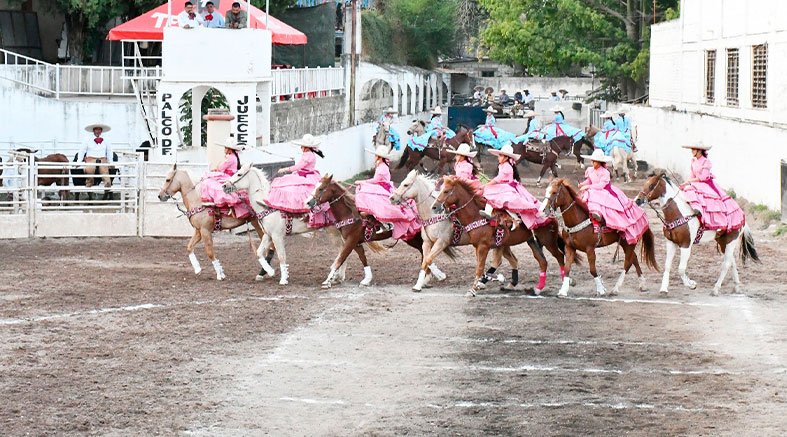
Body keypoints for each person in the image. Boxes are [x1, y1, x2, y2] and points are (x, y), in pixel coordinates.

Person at [577, 149, 648, 244]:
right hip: (592, 190)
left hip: (603, 191)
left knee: (594, 197)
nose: (593, 163)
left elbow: (600, 186)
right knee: (584, 197)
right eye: (592, 161)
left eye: (595, 161)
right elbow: (589, 181)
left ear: (600, 162)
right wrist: (582, 184)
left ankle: (599, 217)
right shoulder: (590, 170)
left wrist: (588, 186)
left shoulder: (605, 172)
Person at [355, 146, 420, 240]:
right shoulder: (382, 165)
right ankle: (373, 221)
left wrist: (361, 182)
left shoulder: (382, 167)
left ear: (379, 157)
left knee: (376, 202)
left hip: (383, 187)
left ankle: (384, 224)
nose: (375, 157)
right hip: (382, 186)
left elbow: (376, 180)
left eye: (376, 155)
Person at [481, 143, 550, 232]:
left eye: (500, 155)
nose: (498, 157)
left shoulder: (507, 166)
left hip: (507, 188)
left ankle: (515, 218)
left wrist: (487, 184)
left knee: (497, 197)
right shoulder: (502, 165)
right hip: (503, 187)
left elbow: (498, 179)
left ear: (506, 157)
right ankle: (489, 212)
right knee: (495, 197)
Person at [679, 144, 745, 231]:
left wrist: (689, 182)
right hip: (696, 183)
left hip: (706, 184)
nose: (692, 151)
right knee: (687, 190)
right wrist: (685, 183)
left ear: (699, 150)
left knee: (712, 203)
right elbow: (692, 176)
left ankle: (715, 222)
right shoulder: (693, 161)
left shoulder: (706, 162)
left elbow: (703, 177)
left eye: (693, 149)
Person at [265, 134, 325, 214]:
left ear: (306, 147)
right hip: (303, 174)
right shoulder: (309, 153)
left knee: (294, 190)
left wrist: (285, 169)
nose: (301, 148)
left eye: (302, 146)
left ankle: (298, 210)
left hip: (306, 176)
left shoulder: (308, 155)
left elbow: (298, 166)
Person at [200, 138, 251, 217]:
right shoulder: (234, 156)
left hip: (229, 177)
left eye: (226, 148)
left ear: (229, 149)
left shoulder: (230, 157)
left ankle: (217, 207)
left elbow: (221, 167)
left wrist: (216, 169)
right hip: (230, 175)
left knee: (209, 182)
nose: (224, 149)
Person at [78, 123, 114, 200]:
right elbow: (82, 150)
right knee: (89, 171)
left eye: (99, 129)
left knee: (106, 176)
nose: (98, 131)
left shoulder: (106, 139)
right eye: (96, 129)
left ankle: (107, 191)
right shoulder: (87, 139)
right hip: (90, 159)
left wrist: (111, 161)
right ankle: (89, 189)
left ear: (101, 131)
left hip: (102, 159)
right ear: (93, 130)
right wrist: (79, 161)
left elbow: (109, 151)